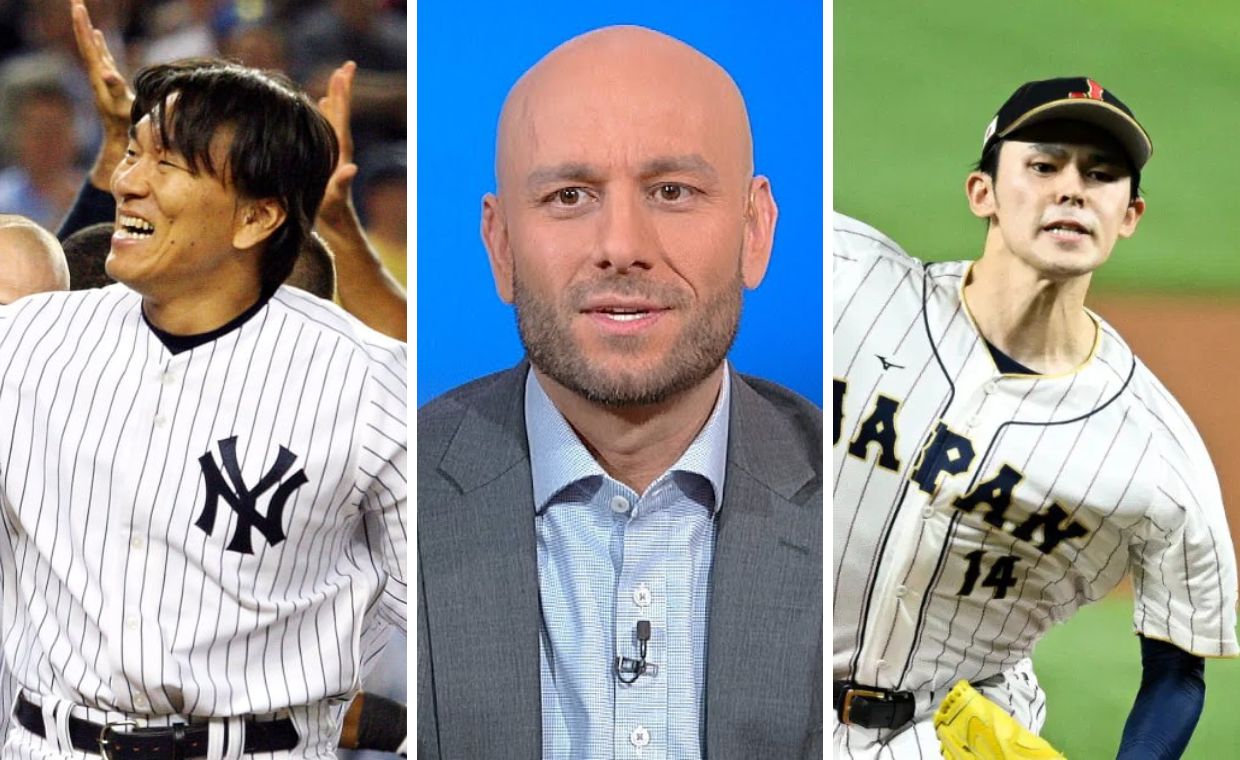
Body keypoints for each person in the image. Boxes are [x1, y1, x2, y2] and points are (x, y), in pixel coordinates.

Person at [418, 25, 822, 760]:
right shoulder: (391, 496)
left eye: (673, 191)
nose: (622, 244)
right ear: (501, 245)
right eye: (569, 196)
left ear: (755, 230)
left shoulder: (859, 509)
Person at [0, 53, 406, 760]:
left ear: (256, 216)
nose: (128, 183)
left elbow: (456, 627)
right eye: (133, 154)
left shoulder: (368, 384)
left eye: (168, 165)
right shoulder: (26, 341)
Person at [832, 77, 1238, 758]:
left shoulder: (1155, 455)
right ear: (981, 192)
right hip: (764, 704)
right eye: (1044, 165)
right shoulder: (848, 281)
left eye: (1101, 175)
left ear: (1129, 214)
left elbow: (1177, 668)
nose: (1072, 189)